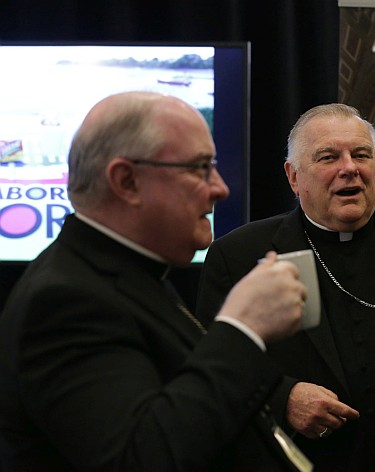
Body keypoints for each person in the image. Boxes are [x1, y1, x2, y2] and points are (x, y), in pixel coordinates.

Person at [0, 91, 313, 471]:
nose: (220, 187)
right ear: (126, 181)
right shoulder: (62, 301)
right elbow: (141, 458)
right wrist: (243, 329)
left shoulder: (130, 268)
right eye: (199, 168)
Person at [196, 103, 375, 471]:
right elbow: (211, 370)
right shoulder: (239, 256)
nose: (349, 168)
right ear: (294, 177)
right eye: (328, 157)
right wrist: (283, 397)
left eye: (361, 155)